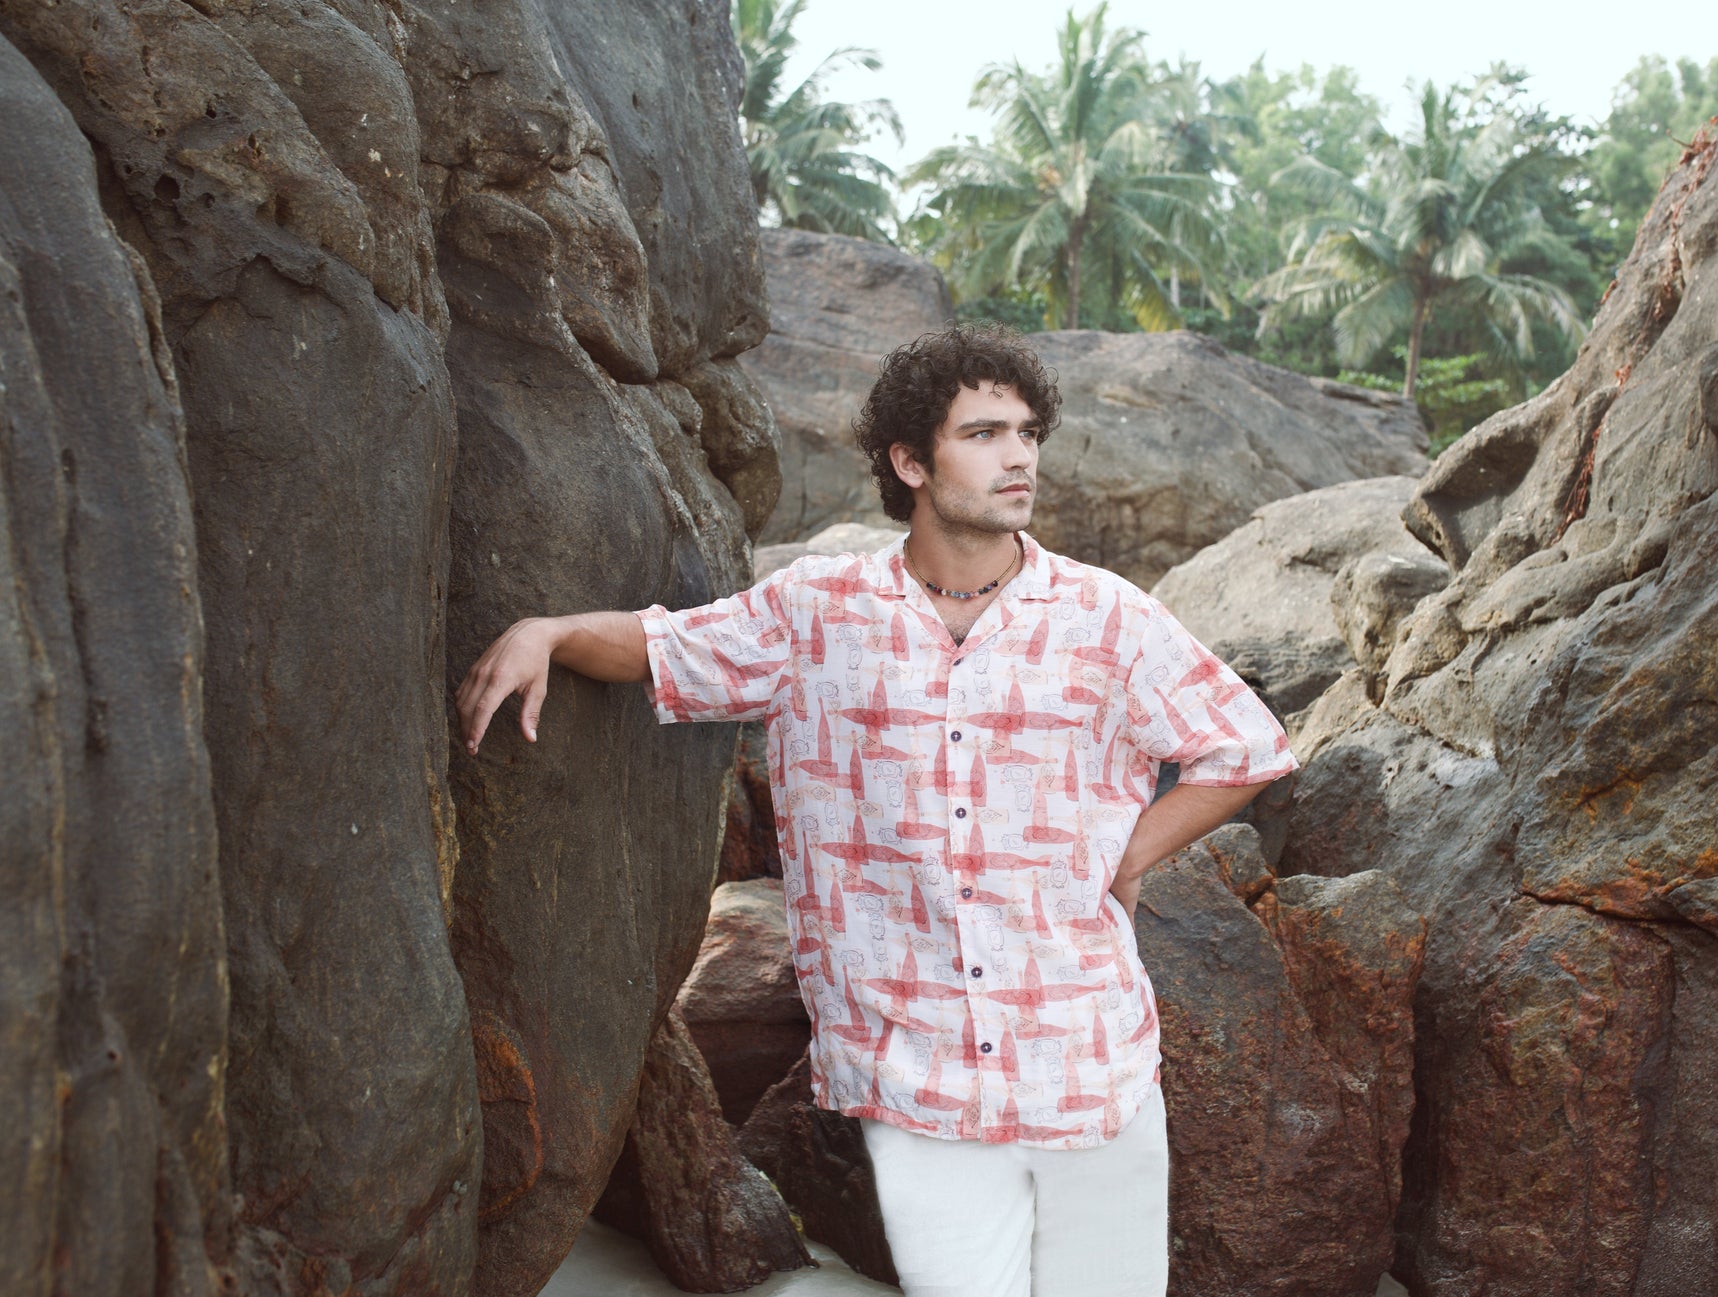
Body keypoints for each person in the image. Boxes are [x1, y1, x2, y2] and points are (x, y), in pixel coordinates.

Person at [456, 324, 1296, 1297]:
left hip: (1086, 1063)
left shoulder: (1106, 617)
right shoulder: (817, 612)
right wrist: (548, 630)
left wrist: (1119, 852)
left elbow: (1244, 747)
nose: (1018, 453)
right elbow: (665, 648)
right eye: (983, 432)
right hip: (916, 1079)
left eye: (1026, 431)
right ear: (909, 460)